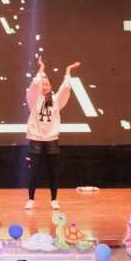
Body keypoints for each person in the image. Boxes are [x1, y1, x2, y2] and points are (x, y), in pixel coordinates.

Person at [24, 56, 80, 210]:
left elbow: (65, 89)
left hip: (51, 139)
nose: (44, 86)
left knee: (53, 171)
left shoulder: (55, 100)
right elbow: (34, 86)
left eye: (47, 84)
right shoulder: (34, 99)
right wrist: (41, 69)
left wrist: (68, 71)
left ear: (51, 86)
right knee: (34, 171)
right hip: (36, 138)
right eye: (42, 84)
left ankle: (54, 199)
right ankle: (30, 199)